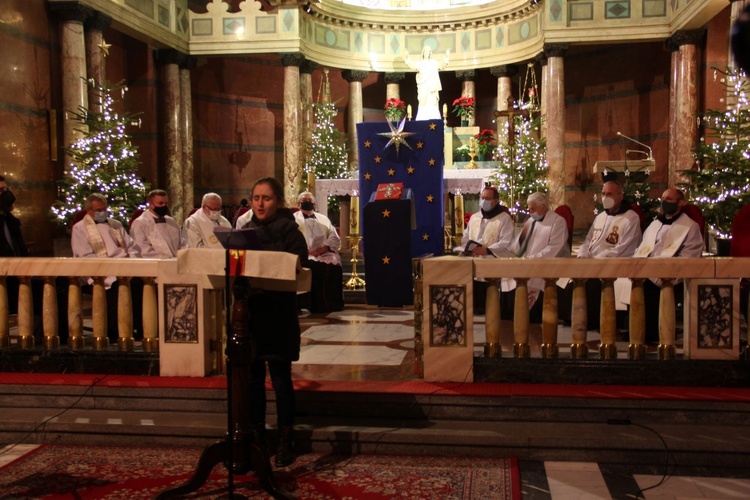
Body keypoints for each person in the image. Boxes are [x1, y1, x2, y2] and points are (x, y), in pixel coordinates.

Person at [242, 177, 308, 468]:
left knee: (281, 380)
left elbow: (300, 267)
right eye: (256, 198)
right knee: (253, 380)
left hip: (278, 314)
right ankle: (256, 438)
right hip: (250, 315)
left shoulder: (290, 231)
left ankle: (285, 440)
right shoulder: (243, 231)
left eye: (266, 198)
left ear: (278, 202)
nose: (259, 203)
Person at [632, 188, 704, 342]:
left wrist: (667, 274)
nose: (664, 202)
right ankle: (634, 328)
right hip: (646, 270)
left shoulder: (690, 227)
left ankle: (651, 333)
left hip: (669, 273)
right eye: (663, 198)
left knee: (649, 287)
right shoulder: (654, 224)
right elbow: (642, 248)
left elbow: (690, 257)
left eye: (669, 199)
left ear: (681, 202)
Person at [71, 193, 142, 342]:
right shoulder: (80, 228)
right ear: (89, 210)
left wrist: (133, 263)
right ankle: (115, 333)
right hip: (102, 271)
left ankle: (136, 328)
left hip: (125, 267)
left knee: (139, 286)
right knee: (115, 291)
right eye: (99, 210)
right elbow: (83, 254)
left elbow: (132, 246)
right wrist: (109, 269)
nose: (102, 213)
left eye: (105, 209)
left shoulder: (115, 224)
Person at [573, 181, 643, 329]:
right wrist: (583, 253)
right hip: (593, 260)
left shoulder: (631, 217)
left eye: (609, 194)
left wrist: (597, 259)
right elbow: (588, 239)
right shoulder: (600, 217)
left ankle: (600, 320)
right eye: (603, 194)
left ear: (620, 196)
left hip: (615, 262)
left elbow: (625, 248)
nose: (605, 197)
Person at [502, 192, 570, 323]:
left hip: (546, 265)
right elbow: (518, 244)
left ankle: (531, 315)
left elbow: (555, 247)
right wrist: (509, 254)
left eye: (532, 208)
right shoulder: (531, 221)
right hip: (527, 262)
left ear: (543, 207)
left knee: (532, 278)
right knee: (508, 274)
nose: (529, 211)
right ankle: (510, 313)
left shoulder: (557, 222)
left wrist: (534, 258)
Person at [454, 186, 514, 314]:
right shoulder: (475, 217)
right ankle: (474, 306)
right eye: (482, 198)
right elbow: (466, 236)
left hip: (491, 259)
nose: (484, 201)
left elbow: (507, 242)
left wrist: (487, 250)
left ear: (496, 201)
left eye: (488, 198)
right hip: (473, 259)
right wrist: (466, 248)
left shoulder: (504, 219)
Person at [293, 191, 344, 313]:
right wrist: (308, 252)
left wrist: (325, 248)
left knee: (335, 266)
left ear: (314, 204)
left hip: (323, 252)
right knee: (316, 267)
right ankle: (315, 304)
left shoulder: (323, 219)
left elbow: (334, 236)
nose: (307, 203)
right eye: (304, 201)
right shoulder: (294, 219)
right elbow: (293, 239)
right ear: (298, 204)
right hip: (306, 254)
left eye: (309, 201)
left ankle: (332, 303)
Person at [130, 189, 186, 258]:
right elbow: (141, 248)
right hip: (154, 264)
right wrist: (165, 258)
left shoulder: (171, 221)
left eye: (166, 203)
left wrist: (182, 256)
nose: (164, 206)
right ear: (150, 204)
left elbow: (182, 243)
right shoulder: (140, 223)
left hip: (176, 262)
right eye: (160, 203)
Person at [404, 45, 450, 121]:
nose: (427, 53)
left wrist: (446, 56)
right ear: (423, 52)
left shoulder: (434, 63)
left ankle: (433, 118)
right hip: (423, 86)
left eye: (428, 51)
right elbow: (412, 65)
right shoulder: (420, 63)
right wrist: (407, 56)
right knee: (423, 102)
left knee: (432, 101)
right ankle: (422, 119)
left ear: (430, 53)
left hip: (432, 86)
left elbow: (442, 65)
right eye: (425, 51)